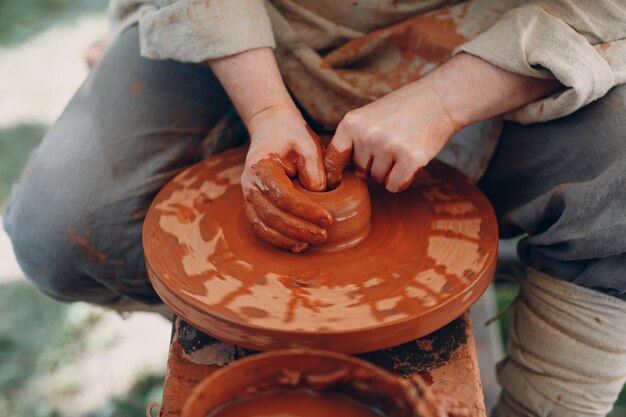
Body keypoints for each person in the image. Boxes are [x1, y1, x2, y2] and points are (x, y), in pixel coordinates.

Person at [4, 0, 626, 415]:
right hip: (264, 28)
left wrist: (443, 102)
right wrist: (267, 112)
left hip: (495, 38)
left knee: (617, 178)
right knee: (62, 226)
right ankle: (248, 325)